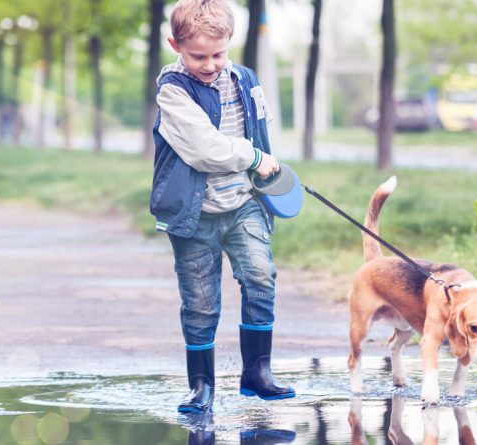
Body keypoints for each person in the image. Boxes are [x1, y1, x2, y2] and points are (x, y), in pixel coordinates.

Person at [150, 0, 296, 413]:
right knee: (200, 300)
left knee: (261, 276)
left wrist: (271, 175)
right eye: (198, 55)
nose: (210, 64)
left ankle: (257, 373)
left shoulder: (246, 79)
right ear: (174, 44)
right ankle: (202, 387)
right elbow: (203, 149)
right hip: (192, 212)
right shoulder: (172, 90)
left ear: (230, 41)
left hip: (244, 203)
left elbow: (261, 132)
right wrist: (252, 157)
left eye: (218, 53)